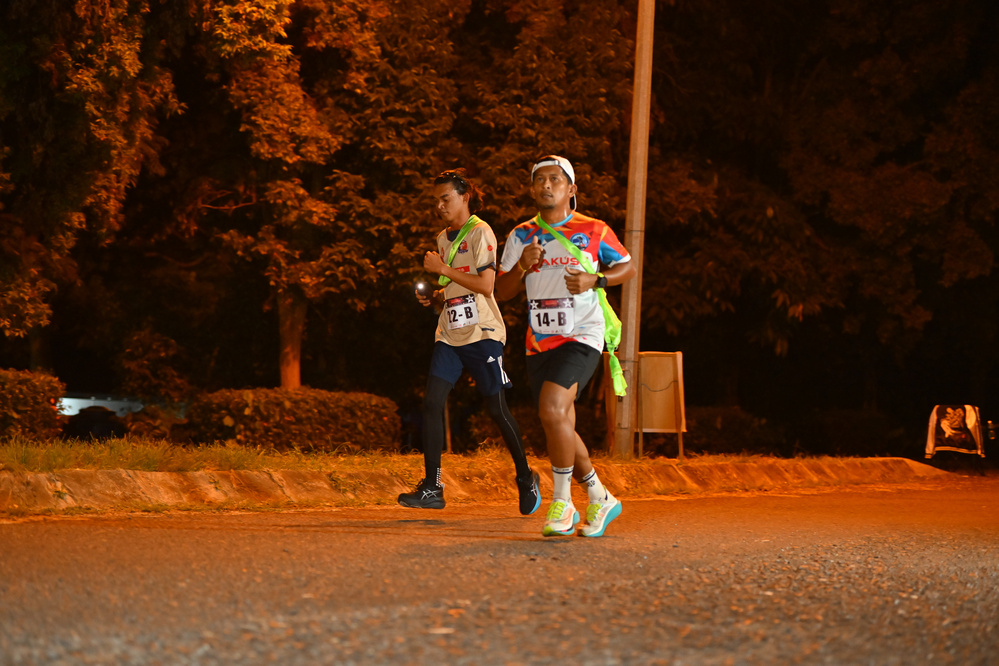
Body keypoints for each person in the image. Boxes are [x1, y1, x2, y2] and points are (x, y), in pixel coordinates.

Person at [495, 155, 636, 537]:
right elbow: (502, 291)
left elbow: (627, 267)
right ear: (532, 188)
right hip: (539, 341)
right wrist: (522, 266)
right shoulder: (521, 235)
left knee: (552, 408)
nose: (546, 185)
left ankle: (562, 502)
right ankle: (600, 495)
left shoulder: (593, 229)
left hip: (582, 334)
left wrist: (596, 280)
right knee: (558, 421)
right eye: (539, 179)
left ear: (571, 188)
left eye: (555, 179)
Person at [398, 168, 541, 515]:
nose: (439, 205)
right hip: (450, 334)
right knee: (432, 403)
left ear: (464, 197)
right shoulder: (442, 239)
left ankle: (526, 477)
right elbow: (456, 287)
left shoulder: (480, 232)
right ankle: (432, 487)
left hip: (482, 334)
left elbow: (487, 285)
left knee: (496, 409)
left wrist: (442, 271)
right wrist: (436, 297)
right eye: (435, 200)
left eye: (445, 198)